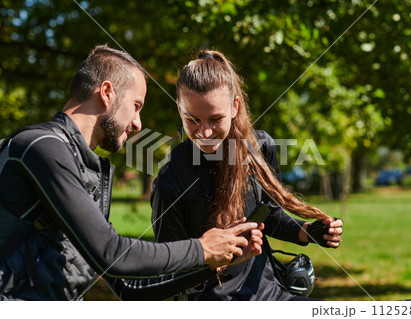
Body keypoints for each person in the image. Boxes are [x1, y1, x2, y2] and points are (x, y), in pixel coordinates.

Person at [0, 45, 264, 301]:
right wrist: (202, 249)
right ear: (107, 92)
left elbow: (129, 289)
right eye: (136, 105)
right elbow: (111, 251)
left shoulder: (80, 167)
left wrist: (213, 262)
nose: (138, 123)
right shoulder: (40, 147)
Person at [151, 50, 344, 301]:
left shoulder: (260, 147)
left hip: (271, 295)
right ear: (179, 108)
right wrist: (212, 262)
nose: (205, 132)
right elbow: (168, 271)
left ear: (234, 106)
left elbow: (270, 216)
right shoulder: (170, 180)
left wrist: (308, 231)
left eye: (215, 119)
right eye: (193, 119)